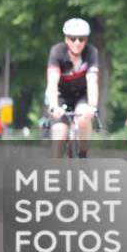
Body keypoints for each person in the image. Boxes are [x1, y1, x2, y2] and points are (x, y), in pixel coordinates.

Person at [46, 18, 100, 158]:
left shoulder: (91, 52)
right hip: (61, 95)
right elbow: (52, 81)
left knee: (83, 116)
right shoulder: (57, 51)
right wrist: (53, 106)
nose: (77, 42)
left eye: (81, 39)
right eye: (73, 38)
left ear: (86, 40)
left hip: (81, 95)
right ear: (66, 39)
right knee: (59, 132)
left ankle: (83, 152)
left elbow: (92, 80)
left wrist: (92, 106)